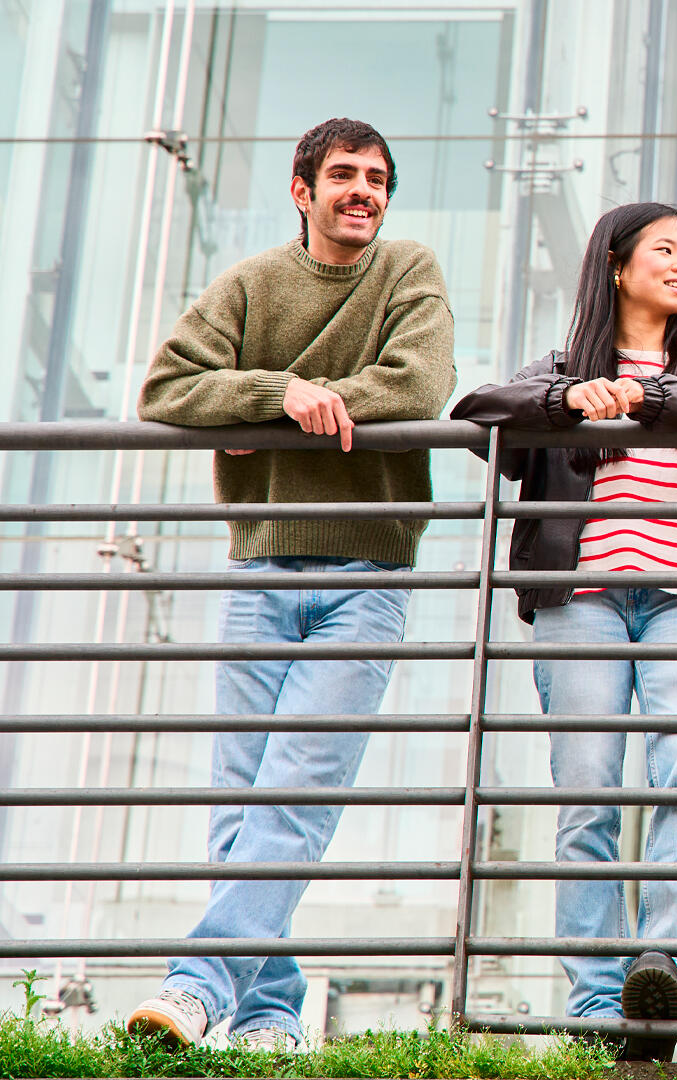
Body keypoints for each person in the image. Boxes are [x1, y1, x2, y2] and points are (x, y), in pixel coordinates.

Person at [128, 118, 456, 1051]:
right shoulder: (252, 283)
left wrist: (278, 400)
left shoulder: (409, 272)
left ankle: (196, 988)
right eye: (344, 175)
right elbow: (167, 387)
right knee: (240, 802)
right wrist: (277, 396)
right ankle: (270, 1016)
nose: (364, 191)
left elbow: (418, 384)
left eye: (378, 178)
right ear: (300, 189)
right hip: (260, 564)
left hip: (368, 568)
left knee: (296, 791)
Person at [450, 203, 677, 1061]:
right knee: (588, 791)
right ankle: (600, 1001)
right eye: (666, 250)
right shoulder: (561, 365)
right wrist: (566, 401)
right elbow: (477, 410)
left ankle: (661, 968)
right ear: (616, 263)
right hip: (582, 600)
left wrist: (657, 395)